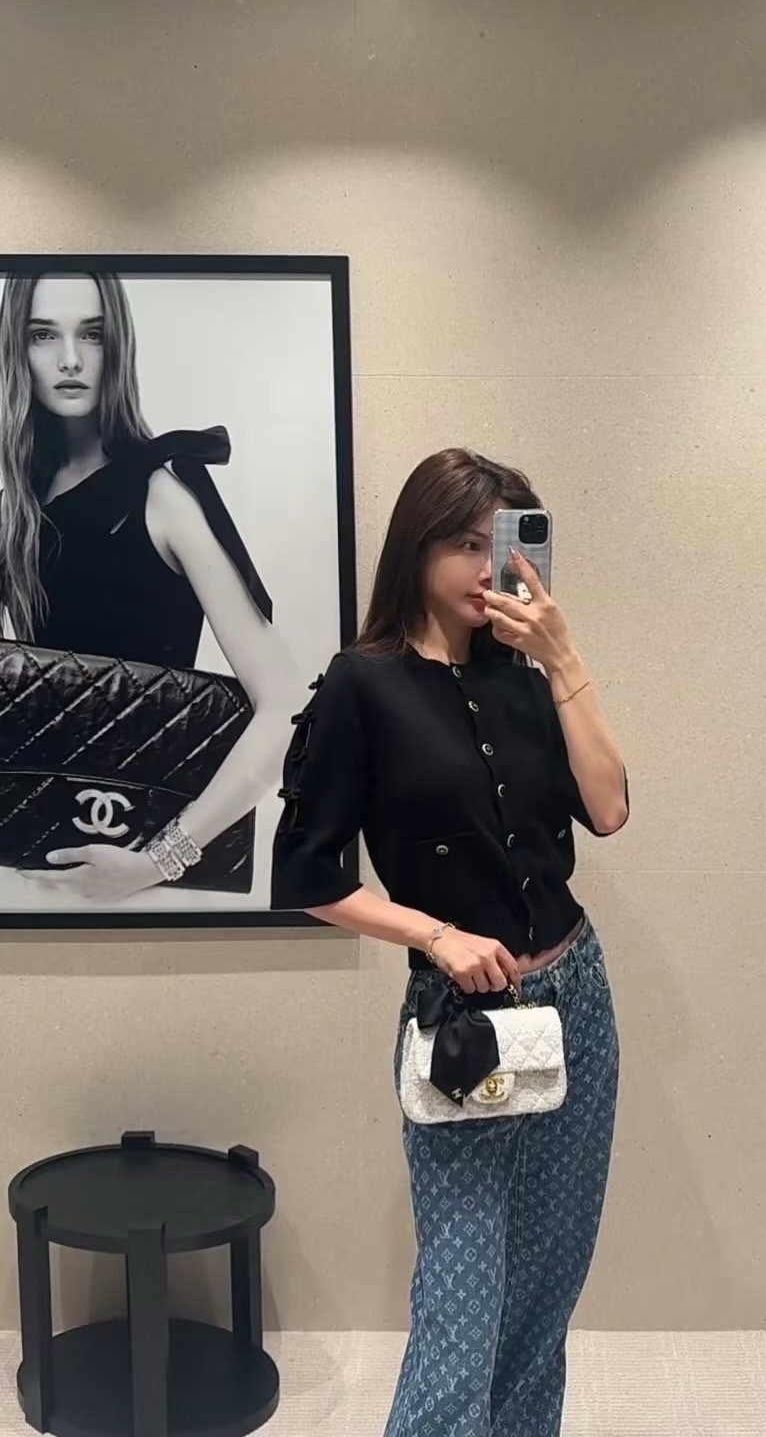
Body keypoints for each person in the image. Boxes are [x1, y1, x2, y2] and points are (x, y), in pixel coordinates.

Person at [270, 448, 629, 1437]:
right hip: (467, 1022)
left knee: (545, 1293)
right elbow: (306, 876)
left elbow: (609, 810)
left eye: (502, 545)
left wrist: (564, 660)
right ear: (417, 547)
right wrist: (434, 935)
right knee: (461, 1308)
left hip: (578, 1000)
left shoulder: (528, 682)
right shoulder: (363, 685)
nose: (487, 568)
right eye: (465, 544)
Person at [0, 270, 296, 901]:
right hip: (31, 873)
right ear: (15, 349)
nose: (71, 359)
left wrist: (161, 860)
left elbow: (287, 708)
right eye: (43, 334)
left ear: (119, 345)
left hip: (148, 874)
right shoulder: (14, 511)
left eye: (93, 334)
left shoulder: (162, 492)